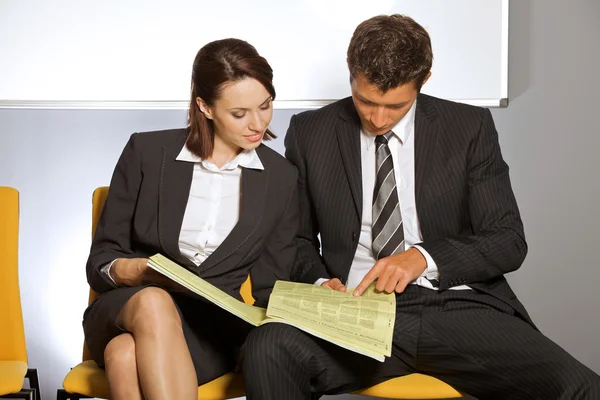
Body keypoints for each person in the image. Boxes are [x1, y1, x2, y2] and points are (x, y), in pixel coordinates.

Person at [241, 14, 600, 400]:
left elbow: (508, 240)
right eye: (365, 101)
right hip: (354, 309)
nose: (377, 118)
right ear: (351, 75)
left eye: (395, 106)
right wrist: (318, 282)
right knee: (267, 348)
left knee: (580, 388)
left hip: (455, 305)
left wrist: (422, 258)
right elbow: (296, 237)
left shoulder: (468, 126)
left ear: (423, 81)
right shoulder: (311, 131)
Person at [82, 38, 298, 400]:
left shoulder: (282, 178)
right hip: (127, 306)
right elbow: (101, 258)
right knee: (153, 301)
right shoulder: (147, 153)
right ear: (205, 107)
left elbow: (271, 285)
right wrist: (134, 271)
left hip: (210, 329)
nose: (257, 124)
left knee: (123, 356)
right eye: (240, 113)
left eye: (265, 106)